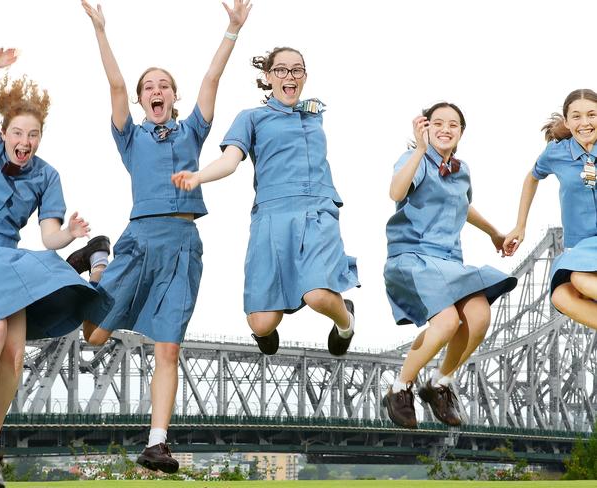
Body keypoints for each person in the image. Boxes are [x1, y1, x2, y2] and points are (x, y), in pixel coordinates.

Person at [79, 0, 251, 473]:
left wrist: (232, 31)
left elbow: (212, 82)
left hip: (182, 246)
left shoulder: (192, 132)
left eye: (164, 86)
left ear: (173, 97)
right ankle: (97, 260)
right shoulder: (130, 137)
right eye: (148, 88)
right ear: (141, 101)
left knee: (168, 346)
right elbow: (115, 83)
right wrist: (100, 30)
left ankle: (157, 443)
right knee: (93, 336)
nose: (156, 91)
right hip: (136, 243)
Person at [0, 49, 111, 488]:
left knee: (15, 354)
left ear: (40, 138)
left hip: (5, 262)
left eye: (33, 134)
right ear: (3, 132)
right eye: (17, 132)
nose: (25, 140)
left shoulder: (46, 176)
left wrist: (71, 234)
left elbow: (48, 237)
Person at [171, 47, 359, 357]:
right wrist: (198, 177)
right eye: (281, 70)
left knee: (319, 296)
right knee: (261, 323)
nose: (290, 76)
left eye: (297, 70)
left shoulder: (313, 114)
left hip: (317, 210)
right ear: (268, 77)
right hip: (271, 218)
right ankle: (266, 330)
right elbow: (230, 161)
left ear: (305, 76)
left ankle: (346, 321)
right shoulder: (252, 118)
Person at [383, 102, 517, 429]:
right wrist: (420, 150)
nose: (445, 128)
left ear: (461, 133)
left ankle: (439, 383)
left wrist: (495, 234)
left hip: (449, 263)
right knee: (446, 323)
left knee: (480, 315)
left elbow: (463, 206)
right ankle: (400, 389)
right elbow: (395, 191)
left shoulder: (462, 170)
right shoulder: (413, 160)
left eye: (453, 124)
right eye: (437, 123)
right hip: (412, 258)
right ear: (425, 128)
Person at [504, 89, 597, 329]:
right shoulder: (556, 153)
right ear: (566, 121)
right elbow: (532, 178)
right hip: (582, 246)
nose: (585, 123)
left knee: (579, 278)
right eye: (576, 116)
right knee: (562, 295)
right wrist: (520, 226)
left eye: (592, 115)